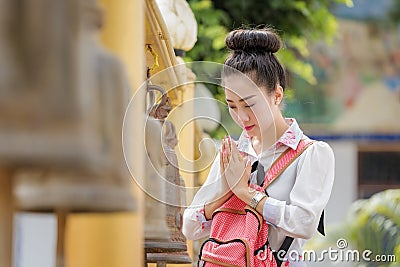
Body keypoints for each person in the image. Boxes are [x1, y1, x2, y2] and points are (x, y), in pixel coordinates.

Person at [182, 27, 335, 266]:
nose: (241, 117)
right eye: (232, 106)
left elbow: (304, 223)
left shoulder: (312, 154)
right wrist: (226, 189)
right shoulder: (232, 153)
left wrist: (247, 194)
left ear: (277, 95)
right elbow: (190, 227)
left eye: (249, 104)